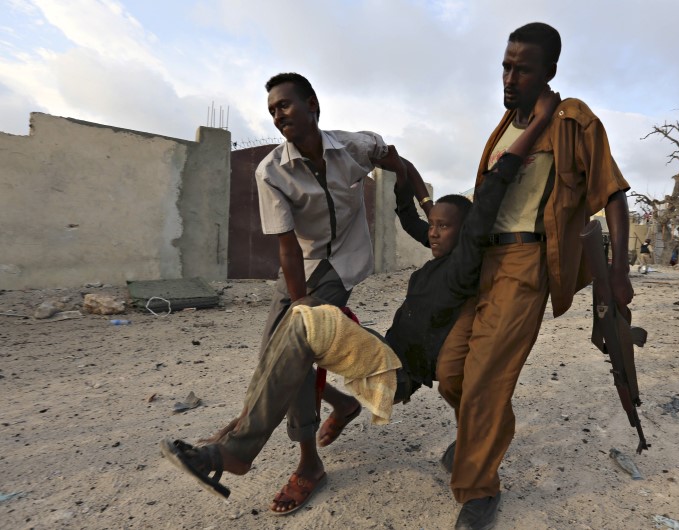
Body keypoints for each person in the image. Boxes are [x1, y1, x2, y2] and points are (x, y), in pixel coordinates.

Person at [159, 87, 561, 516]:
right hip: (380, 352)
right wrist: (421, 199)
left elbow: (495, 186)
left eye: (445, 227)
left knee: (304, 320)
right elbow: (408, 213)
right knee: (301, 321)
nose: (434, 232)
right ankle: (239, 449)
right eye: (434, 226)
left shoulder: (464, 264)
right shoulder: (430, 258)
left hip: (394, 373)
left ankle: (240, 448)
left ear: (466, 235)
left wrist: (537, 122)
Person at [435, 22, 634, 530]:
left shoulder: (572, 121)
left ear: (549, 71)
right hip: (481, 262)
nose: (509, 76)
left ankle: (479, 490)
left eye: (522, 68)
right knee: (451, 370)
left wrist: (618, 269)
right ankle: (476, 433)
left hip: (525, 265)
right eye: (505, 65)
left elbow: (611, 192)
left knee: (486, 377)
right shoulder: (505, 126)